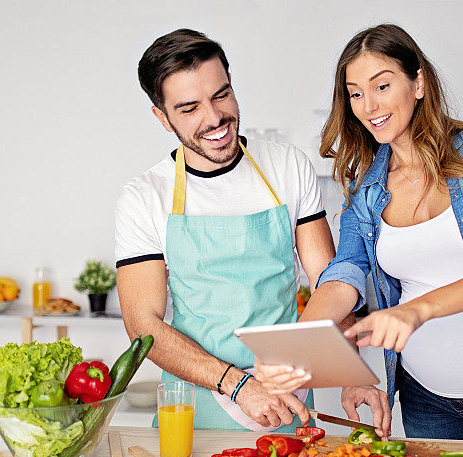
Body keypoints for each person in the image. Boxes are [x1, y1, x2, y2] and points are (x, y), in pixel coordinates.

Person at [256, 24, 463, 443]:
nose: (368, 105)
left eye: (382, 85)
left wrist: (417, 310)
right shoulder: (369, 188)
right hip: (426, 400)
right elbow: (343, 273)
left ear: (418, 82)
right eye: (355, 93)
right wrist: (295, 347)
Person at [114, 29, 388, 433]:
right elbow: (143, 324)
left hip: (286, 400)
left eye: (220, 95)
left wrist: (351, 371)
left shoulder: (286, 167)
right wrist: (238, 384)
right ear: (163, 117)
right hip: (195, 404)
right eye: (189, 108)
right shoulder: (143, 198)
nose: (213, 118)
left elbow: (330, 282)